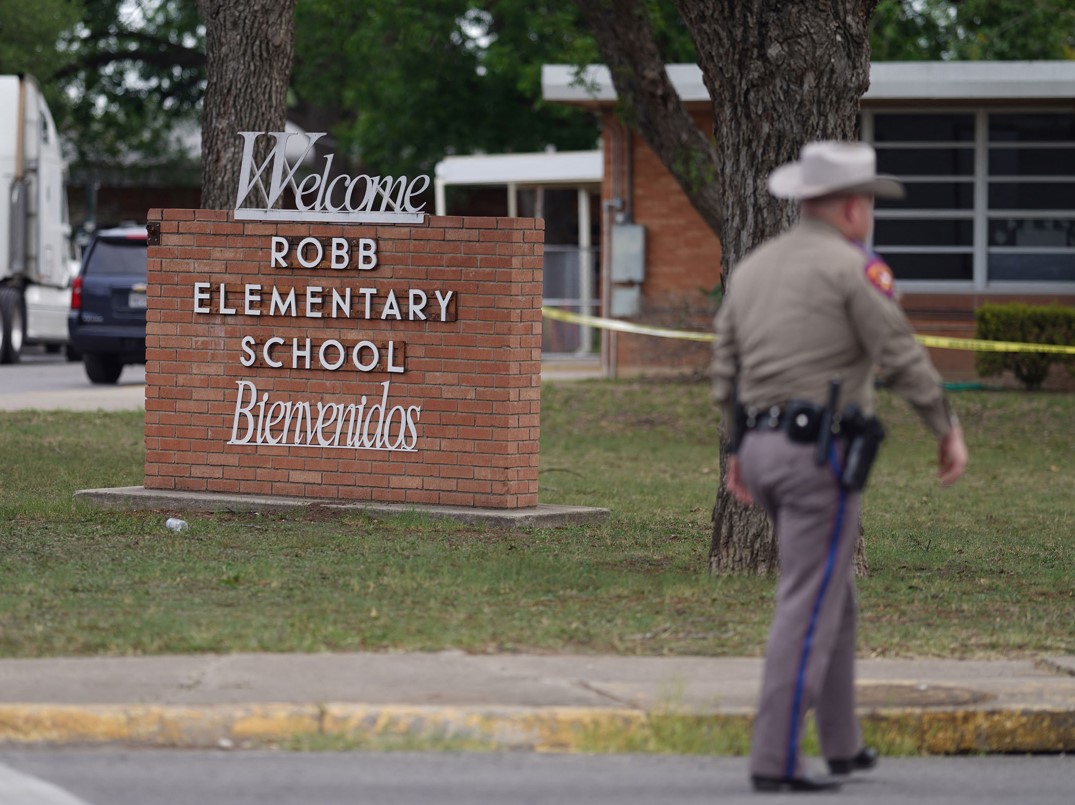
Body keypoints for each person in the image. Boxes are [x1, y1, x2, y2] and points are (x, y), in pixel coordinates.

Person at [710, 141, 969, 793]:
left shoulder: (752, 267)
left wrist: (736, 449)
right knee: (805, 601)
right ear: (853, 206)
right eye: (871, 205)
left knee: (832, 596)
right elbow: (899, 353)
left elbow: (724, 367)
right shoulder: (851, 268)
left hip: (762, 451)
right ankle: (774, 757)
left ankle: (842, 743)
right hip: (814, 458)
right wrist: (945, 427)